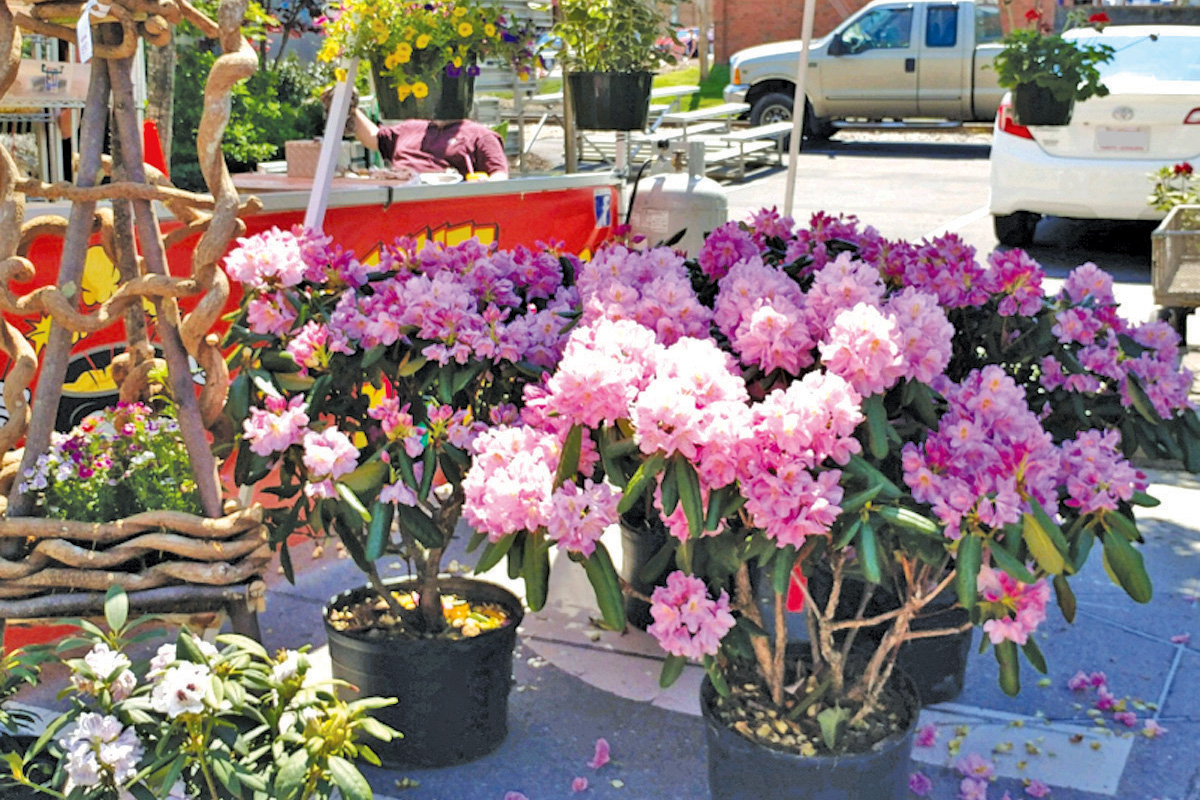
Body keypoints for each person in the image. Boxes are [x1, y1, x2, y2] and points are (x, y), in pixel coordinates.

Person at [324, 89, 508, 181]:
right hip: (393, 194)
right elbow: (373, 138)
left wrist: (484, 183)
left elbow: (500, 176)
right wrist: (347, 105)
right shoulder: (411, 127)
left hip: (441, 203)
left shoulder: (480, 135)